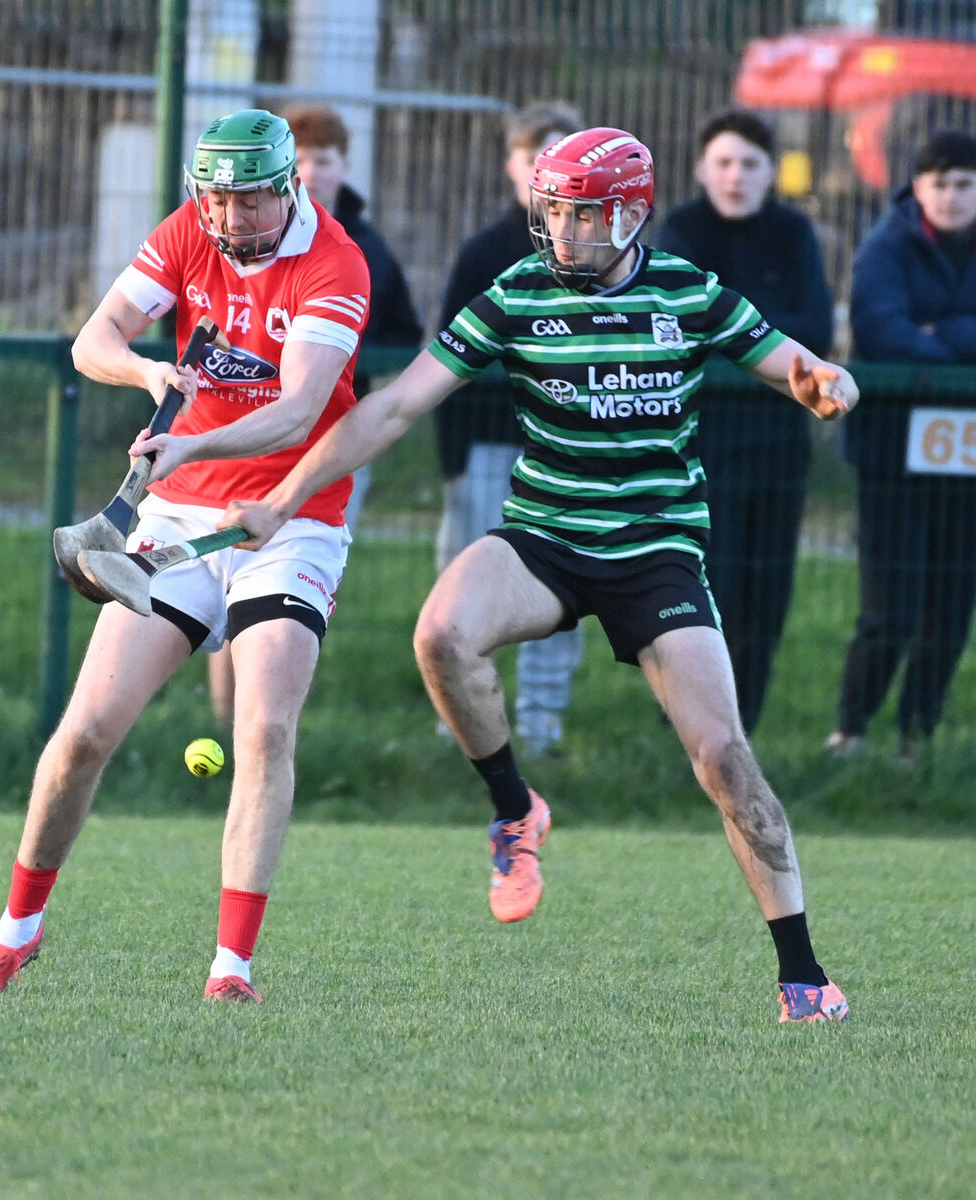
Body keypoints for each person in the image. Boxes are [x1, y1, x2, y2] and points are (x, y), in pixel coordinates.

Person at [216, 127, 857, 1023]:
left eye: (583, 215)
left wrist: (823, 381)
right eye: (552, 212)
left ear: (630, 214)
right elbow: (396, 406)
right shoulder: (517, 294)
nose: (562, 231)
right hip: (544, 537)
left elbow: (792, 363)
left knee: (723, 757)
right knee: (441, 633)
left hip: (655, 552)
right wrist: (286, 497)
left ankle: (804, 979)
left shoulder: (688, 290)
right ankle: (516, 810)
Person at [0, 109, 371, 1003]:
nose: (230, 220)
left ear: (289, 188)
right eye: (216, 201)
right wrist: (151, 375)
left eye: (249, 203)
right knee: (84, 734)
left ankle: (231, 970)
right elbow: (93, 340)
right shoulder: (188, 232)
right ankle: (15, 932)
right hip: (179, 516)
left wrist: (189, 446)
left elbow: (300, 409)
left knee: (262, 730)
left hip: (291, 518)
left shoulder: (334, 263)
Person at [206, 102, 422, 726]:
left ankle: (271, 710)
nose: (311, 171)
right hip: (248, 433)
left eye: (323, 159)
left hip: (331, 446)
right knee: (230, 570)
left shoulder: (362, 248)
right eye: (299, 159)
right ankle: (225, 715)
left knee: (293, 583)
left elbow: (403, 335)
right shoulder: (234, 241)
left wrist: (339, 363)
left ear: (344, 166)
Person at [655, 109, 834, 734]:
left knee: (767, 590)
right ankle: (688, 726)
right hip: (700, 446)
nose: (736, 176)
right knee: (711, 587)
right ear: (702, 169)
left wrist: (734, 337)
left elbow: (815, 332)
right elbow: (681, 329)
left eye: (750, 164)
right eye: (724, 163)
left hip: (780, 443)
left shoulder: (794, 233)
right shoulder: (681, 231)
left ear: (770, 172)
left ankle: (743, 730)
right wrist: (766, 343)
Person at [434, 100, 586, 758]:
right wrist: (454, 465)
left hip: (565, 461)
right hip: (488, 452)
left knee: (559, 590)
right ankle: (463, 724)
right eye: (534, 158)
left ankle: (542, 722)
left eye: (561, 156)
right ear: (512, 166)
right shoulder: (485, 253)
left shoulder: (598, 257)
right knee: (470, 593)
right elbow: (443, 368)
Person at [825, 129, 976, 761]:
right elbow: (881, 330)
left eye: (964, 183)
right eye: (940, 183)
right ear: (917, 187)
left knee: (951, 605)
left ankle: (917, 736)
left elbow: (912, 336)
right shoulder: (884, 246)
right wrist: (956, 347)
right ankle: (852, 728)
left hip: (965, 457)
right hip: (890, 453)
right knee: (890, 606)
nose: (952, 195)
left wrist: (940, 333)